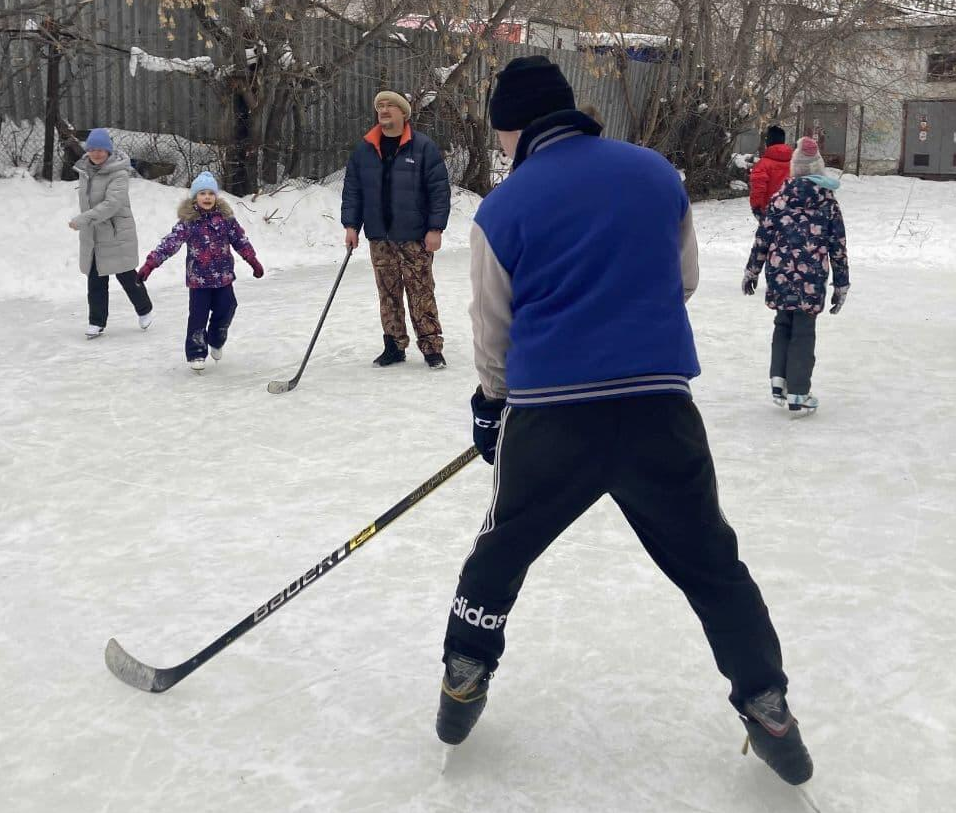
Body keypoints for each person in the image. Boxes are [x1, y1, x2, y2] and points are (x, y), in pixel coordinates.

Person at [435, 55, 813, 788]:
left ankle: (465, 669)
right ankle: (765, 699)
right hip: (658, 410)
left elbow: (493, 324)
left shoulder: (502, 207)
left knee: (501, 548)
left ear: (511, 128)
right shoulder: (655, 175)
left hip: (551, 419)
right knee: (711, 563)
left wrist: (490, 403)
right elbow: (684, 282)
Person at [341, 90, 451, 369]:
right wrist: (351, 225)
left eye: (390, 106)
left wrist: (435, 228)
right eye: (380, 106)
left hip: (415, 235)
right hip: (380, 235)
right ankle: (394, 345)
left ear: (404, 112)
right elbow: (353, 190)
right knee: (387, 293)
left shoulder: (423, 147)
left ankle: (431, 347)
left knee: (421, 291)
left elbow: (439, 191)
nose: (384, 110)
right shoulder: (364, 149)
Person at [742, 136, 849, 415]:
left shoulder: (779, 198)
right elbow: (838, 247)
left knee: (782, 323)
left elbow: (762, 237)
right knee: (803, 330)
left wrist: (752, 270)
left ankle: (779, 381)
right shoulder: (827, 202)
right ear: (818, 169)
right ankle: (799, 391)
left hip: (779, 273)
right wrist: (841, 283)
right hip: (811, 277)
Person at [137, 172, 264, 372]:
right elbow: (170, 243)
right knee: (198, 316)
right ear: (195, 197)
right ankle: (196, 352)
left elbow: (240, 240)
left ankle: (216, 338)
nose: (207, 197)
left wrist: (252, 260)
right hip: (199, 281)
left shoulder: (226, 219)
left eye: (210, 193)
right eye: (202, 193)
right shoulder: (189, 222)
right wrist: (151, 264)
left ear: (216, 196)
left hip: (223, 278)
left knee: (228, 307)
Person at [69, 128, 153, 339]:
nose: (96, 154)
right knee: (95, 280)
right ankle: (96, 322)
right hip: (95, 235)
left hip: (116, 233)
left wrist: (84, 219)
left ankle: (145, 309)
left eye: (101, 150)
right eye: (92, 149)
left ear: (108, 151)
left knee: (126, 275)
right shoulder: (85, 171)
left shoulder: (119, 173)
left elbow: (111, 205)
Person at [748, 125, 793, 220]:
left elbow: (758, 190)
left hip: (770, 213)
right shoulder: (794, 163)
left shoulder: (762, 165)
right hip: (792, 212)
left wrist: (757, 209)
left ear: (768, 141)